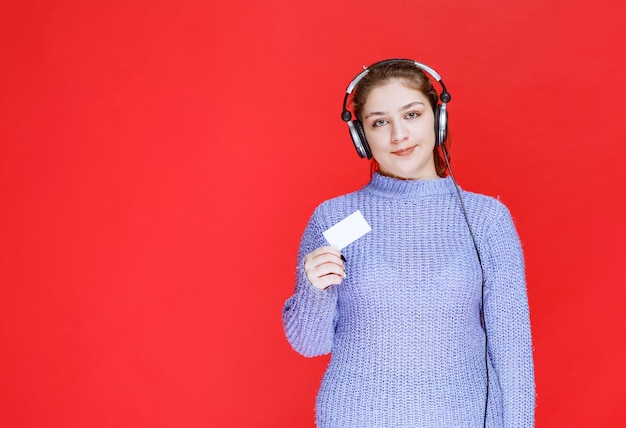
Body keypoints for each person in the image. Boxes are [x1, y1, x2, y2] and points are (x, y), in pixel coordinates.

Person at [282, 59, 535, 427]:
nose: (399, 135)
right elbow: (310, 345)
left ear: (438, 118)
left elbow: (513, 352)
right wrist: (313, 291)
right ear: (361, 137)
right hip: (355, 417)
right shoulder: (333, 219)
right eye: (380, 122)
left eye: (412, 114)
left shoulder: (487, 220)